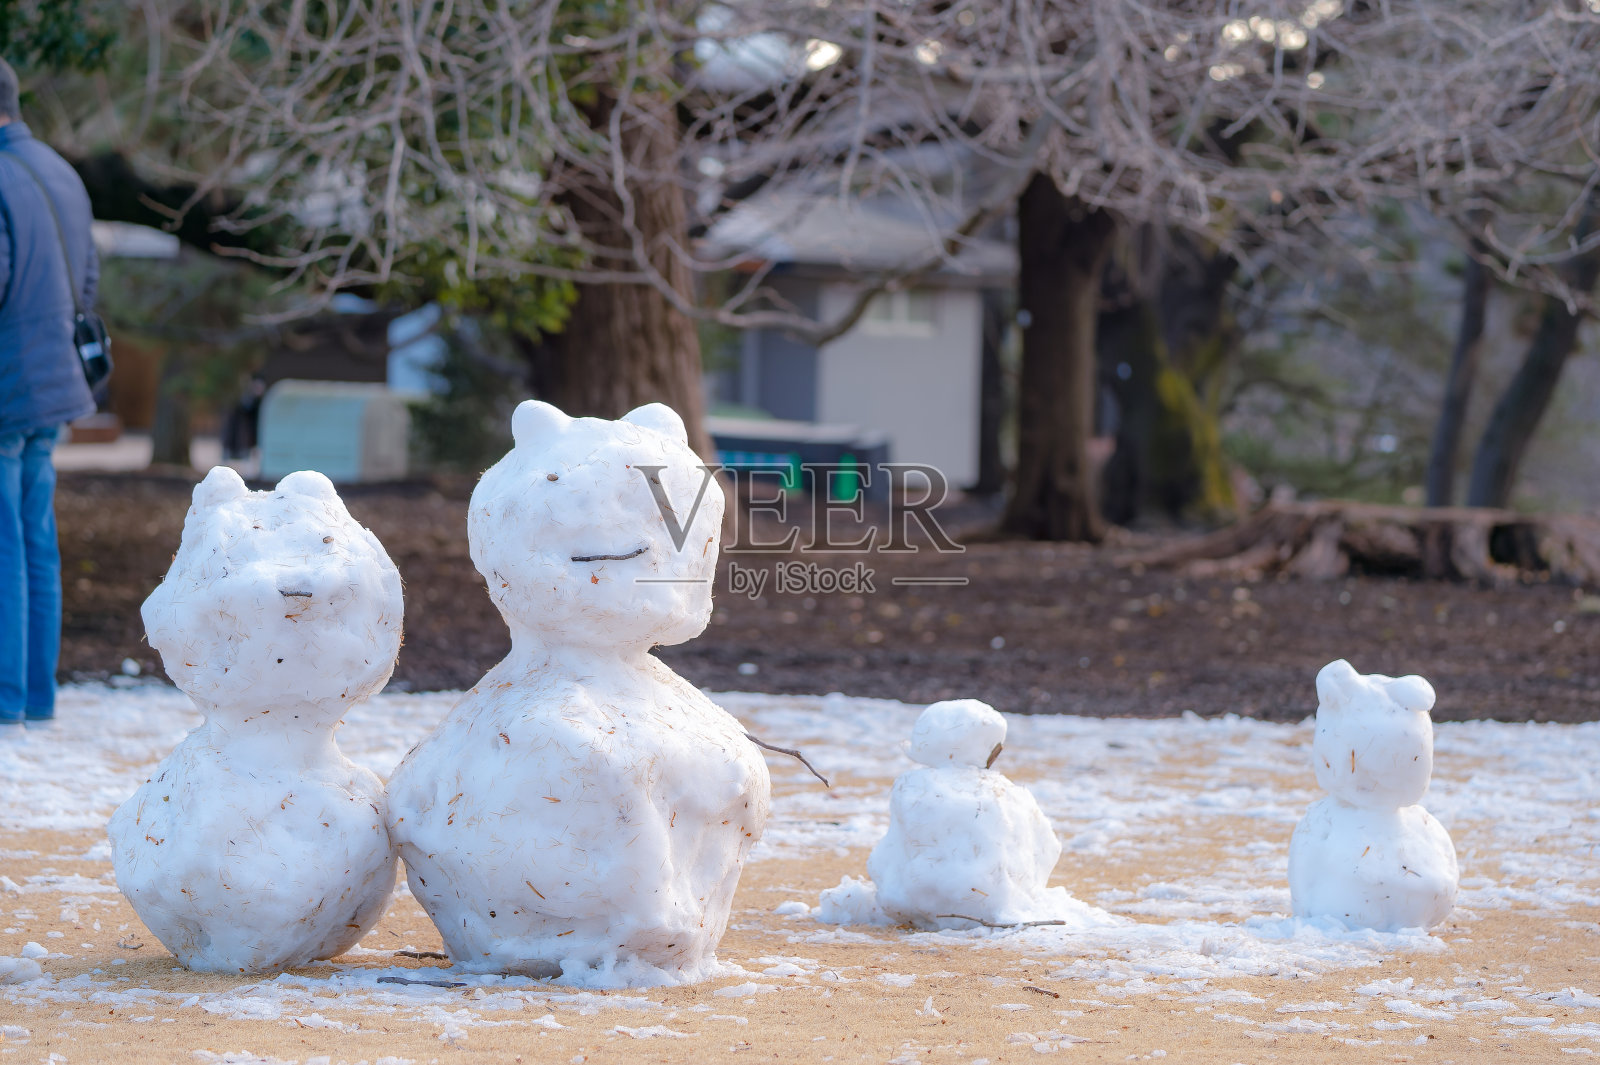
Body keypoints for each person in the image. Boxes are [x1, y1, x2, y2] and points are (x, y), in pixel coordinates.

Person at [0, 57, 99, 730]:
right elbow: (87, 279)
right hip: (56, 382)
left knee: (6, 541)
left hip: (8, 386)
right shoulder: (62, 171)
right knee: (35, 538)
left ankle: (6, 698)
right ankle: (36, 696)